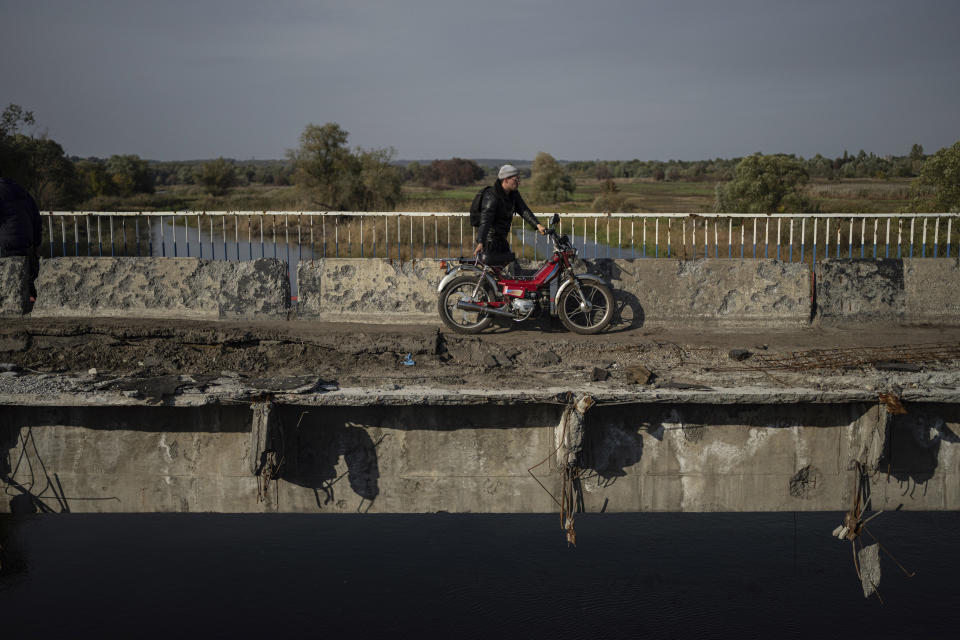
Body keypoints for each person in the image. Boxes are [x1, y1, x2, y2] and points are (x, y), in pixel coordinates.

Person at [474, 165, 545, 270]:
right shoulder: (492, 196)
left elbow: (523, 209)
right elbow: (486, 220)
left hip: (502, 240)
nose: (519, 182)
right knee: (493, 274)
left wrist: (538, 225)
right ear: (506, 180)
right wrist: (480, 242)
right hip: (490, 242)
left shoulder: (513, 195)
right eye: (516, 180)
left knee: (505, 274)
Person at [0, 174, 42, 300]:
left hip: (5, 246)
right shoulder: (20, 189)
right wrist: (36, 244)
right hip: (27, 246)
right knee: (26, 288)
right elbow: (37, 219)